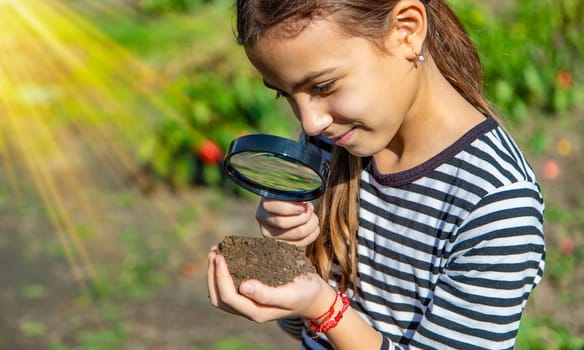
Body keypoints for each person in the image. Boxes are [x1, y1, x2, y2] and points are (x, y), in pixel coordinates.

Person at [207, 0, 546, 349]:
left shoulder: (496, 204)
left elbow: (320, 315)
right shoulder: (332, 143)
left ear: (406, 31)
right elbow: (302, 331)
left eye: (323, 87)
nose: (309, 122)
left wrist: (325, 308)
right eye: (285, 94)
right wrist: (290, 254)